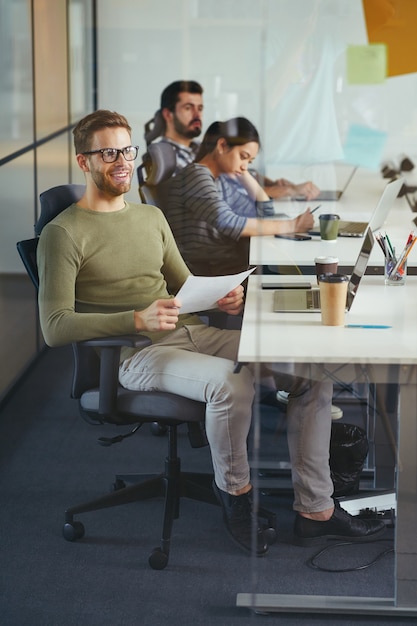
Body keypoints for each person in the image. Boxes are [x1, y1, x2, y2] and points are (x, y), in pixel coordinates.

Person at [37, 109, 385, 559]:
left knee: (309, 369)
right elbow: (54, 327)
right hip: (136, 355)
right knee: (230, 383)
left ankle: (315, 511)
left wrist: (220, 298)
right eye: (107, 152)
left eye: (126, 149)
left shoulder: (148, 217)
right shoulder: (63, 233)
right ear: (84, 162)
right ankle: (236, 499)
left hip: (192, 332)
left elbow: (184, 284)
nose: (121, 160)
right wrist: (136, 320)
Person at [162, 117, 315, 276]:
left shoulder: (220, 180)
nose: (245, 165)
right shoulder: (196, 176)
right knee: (300, 275)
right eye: (243, 156)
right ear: (222, 146)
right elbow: (229, 223)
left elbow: (264, 213)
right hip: (211, 272)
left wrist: (243, 172)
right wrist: (292, 226)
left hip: (229, 267)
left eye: (250, 161)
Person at [148, 79, 320, 200]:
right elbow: (226, 191)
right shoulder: (170, 156)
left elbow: (239, 174)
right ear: (168, 114)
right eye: (188, 108)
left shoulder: (196, 147)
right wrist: (288, 191)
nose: (197, 114)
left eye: (200, 108)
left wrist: (275, 183)